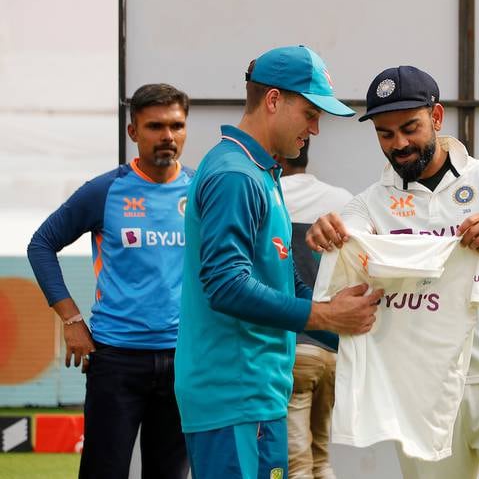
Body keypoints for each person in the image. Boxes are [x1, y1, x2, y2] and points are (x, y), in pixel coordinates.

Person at [306, 65, 479, 479]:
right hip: (423, 390)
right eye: (385, 134)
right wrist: (327, 232)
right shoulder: (369, 203)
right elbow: (345, 235)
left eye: (410, 128)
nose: (399, 144)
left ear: (436, 117)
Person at [175, 45, 382, 479]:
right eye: (310, 113)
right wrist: (325, 313)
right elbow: (225, 284)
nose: (316, 129)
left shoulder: (261, 173)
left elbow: (282, 277)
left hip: (256, 394)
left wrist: (332, 303)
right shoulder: (235, 175)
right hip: (235, 397)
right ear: (273, 101)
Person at [27, 83, 193, 479]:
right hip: (116, 360)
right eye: (155, 126)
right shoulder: (105, 190)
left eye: (176, 125)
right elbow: (41, 245)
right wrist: (71, 320)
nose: (167, 137)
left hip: (184, 360)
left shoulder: (203, 189)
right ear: (133, 132)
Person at [277, 139, 352, 479]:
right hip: (334, 348)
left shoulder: (271, 197)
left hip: (293, 349)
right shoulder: (343, 202)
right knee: (322, 458)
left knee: (296, 464)